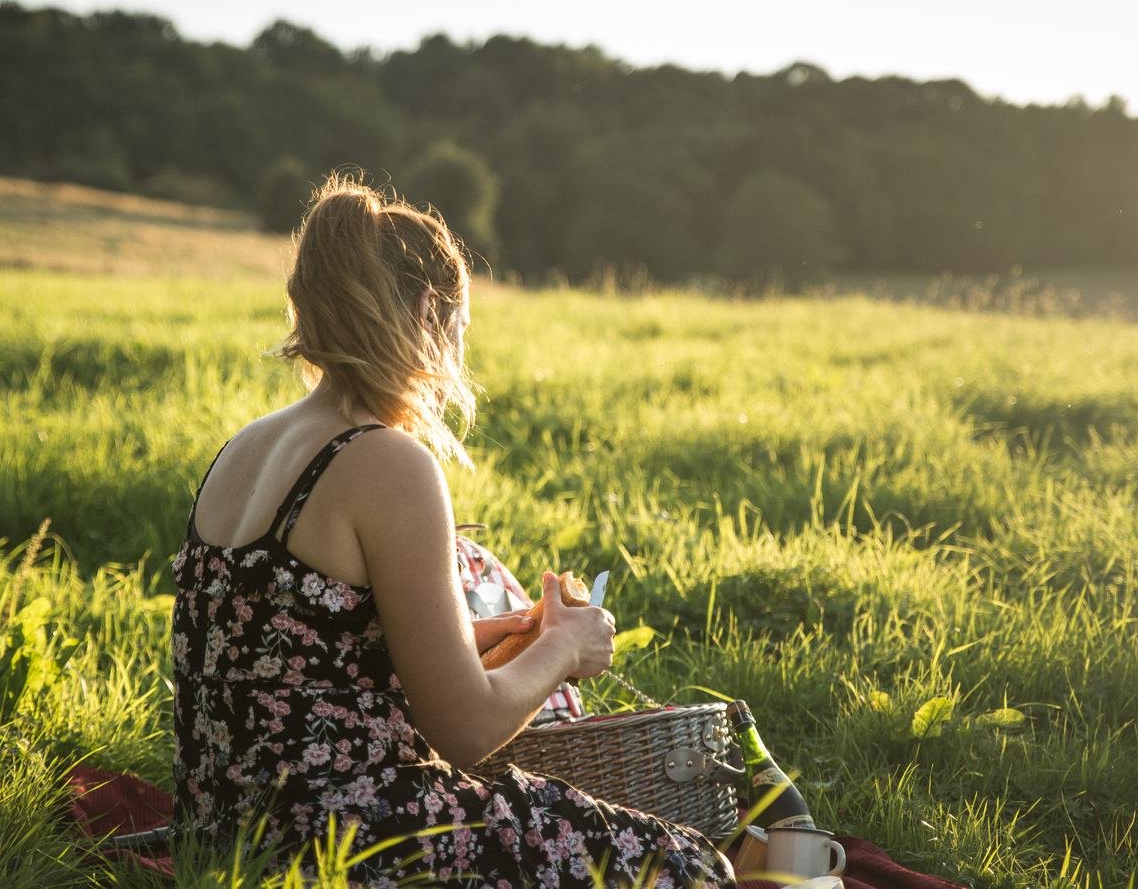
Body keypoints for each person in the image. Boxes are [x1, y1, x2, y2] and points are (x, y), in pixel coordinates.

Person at [170, 170, 737, 888]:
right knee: (689, 865)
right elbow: (465, 731)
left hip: (223, 830)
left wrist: (482, 638)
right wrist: (562, 648)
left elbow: (298, 659)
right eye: (461, 330)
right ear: (431, 310)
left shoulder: (247, 446)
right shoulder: (383, 459)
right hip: (342, 840)